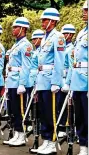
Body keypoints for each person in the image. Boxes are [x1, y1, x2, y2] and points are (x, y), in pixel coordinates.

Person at [36, 8, 65, 154]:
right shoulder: (44, 37)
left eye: (45, 20)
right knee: (43, 112)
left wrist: (56, 82)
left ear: (53, 21)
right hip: (42, 80)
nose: (42, 22)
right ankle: (46, 140)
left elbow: (59, 62)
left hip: (50, 80)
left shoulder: (58, 37)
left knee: (51, 113)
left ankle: (52, 143)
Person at [3, 17, 32, 146]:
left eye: (15, 27)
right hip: (12, 81)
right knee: (13, 110)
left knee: (20, 110)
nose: (13, 29)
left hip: (18, 81)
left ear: (23, 29)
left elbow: (26, 66)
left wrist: (22, 83)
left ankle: (21, 134)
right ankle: (16, 133)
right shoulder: (16, 44)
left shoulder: (26, 45)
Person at [67, 0, 88, 155]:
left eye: (87, 10)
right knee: (79, 115)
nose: (84, 12)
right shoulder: (82, 33)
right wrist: (69, 81)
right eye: (84, 10)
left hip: (87, 80)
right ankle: (83, 146)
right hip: (77, 81)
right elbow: (73, 60)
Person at [58, 24, 76, 138]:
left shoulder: (71, 49)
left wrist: (68, 82)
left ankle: (65, 127)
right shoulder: (64, 47)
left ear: (70, 35)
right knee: (60, 105)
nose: (63, 36)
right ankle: (62, 126)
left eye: (65, 34)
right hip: (61, 79)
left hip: (66, 79)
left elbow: (70, 67)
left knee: (66, 107)